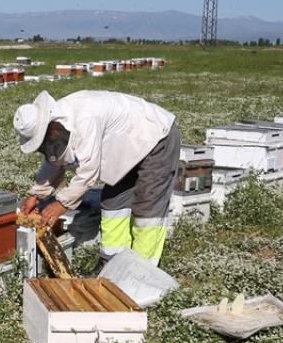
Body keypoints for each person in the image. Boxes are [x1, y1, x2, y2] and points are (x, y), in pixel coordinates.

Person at [14, 90, 180, 269]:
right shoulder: (60, 124)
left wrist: (62, 203)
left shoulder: (85, 117)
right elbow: (55, 162)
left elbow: (88, 171)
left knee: (147, 207)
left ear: (50, 124)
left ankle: (142, 270)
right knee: (113, 202)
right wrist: (36, 195)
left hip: (155, 136)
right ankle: (110, 263)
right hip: (125, 149)